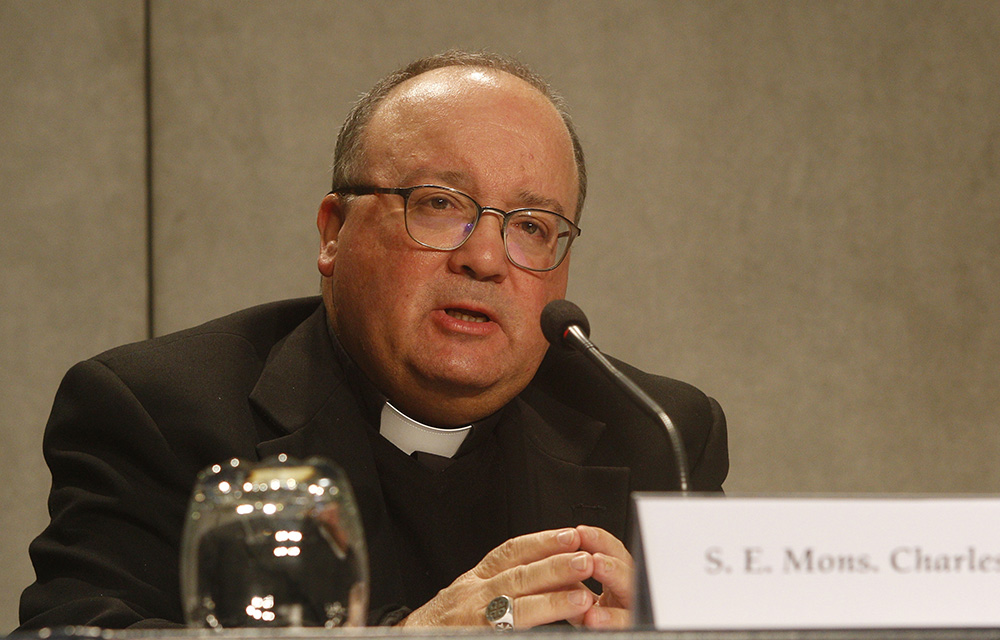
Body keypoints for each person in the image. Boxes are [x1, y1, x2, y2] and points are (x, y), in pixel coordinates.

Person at [18, 50, 728, 631]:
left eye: (532, 226)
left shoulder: (655, 434)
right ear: (333, 232)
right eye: (440, 205)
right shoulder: (163, 411)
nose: (484, 258)